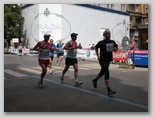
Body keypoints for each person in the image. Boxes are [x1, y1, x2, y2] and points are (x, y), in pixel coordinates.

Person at [92, 29, 118, 96]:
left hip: (108, 59)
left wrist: (115, 49)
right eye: (106, 34)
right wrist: (97, 55)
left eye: (109, 34)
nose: (108, 35)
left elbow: (116, 47)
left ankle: (95, 80)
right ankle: (109, 89)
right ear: (104, 35)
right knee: (106, 72)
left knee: (103, 71)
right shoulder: (101, 42)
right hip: (102, 59)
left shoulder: (112, 42)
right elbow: (96, 47)